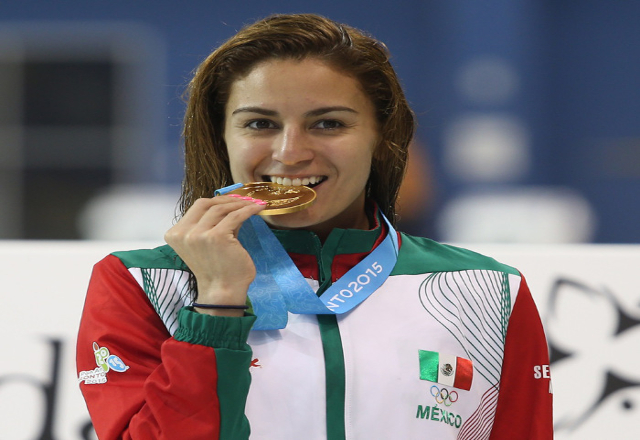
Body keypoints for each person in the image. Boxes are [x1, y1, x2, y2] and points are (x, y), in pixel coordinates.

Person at [76, 13, 553, 439]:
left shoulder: (488, 290)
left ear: (383, 137)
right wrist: (216, 304)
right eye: (259, 124)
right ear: (220, 138)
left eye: (328, 124)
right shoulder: (142, 284)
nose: (290, 153)